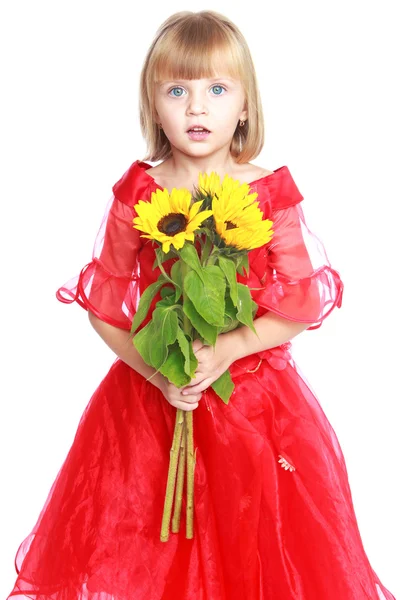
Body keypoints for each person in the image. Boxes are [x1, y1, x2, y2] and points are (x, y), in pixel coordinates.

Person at [6, 10, 396, 600]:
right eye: (177, 90)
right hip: (153, 405)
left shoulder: (266, 193)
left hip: (254, 404)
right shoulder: (139, 194)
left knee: (251, 543)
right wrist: (161, 373)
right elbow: (105, 307)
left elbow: (302, 299)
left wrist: (233, 345)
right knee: (160, 548)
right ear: (153, 104)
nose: (196, 108)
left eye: (216, 90)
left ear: (244, 106)